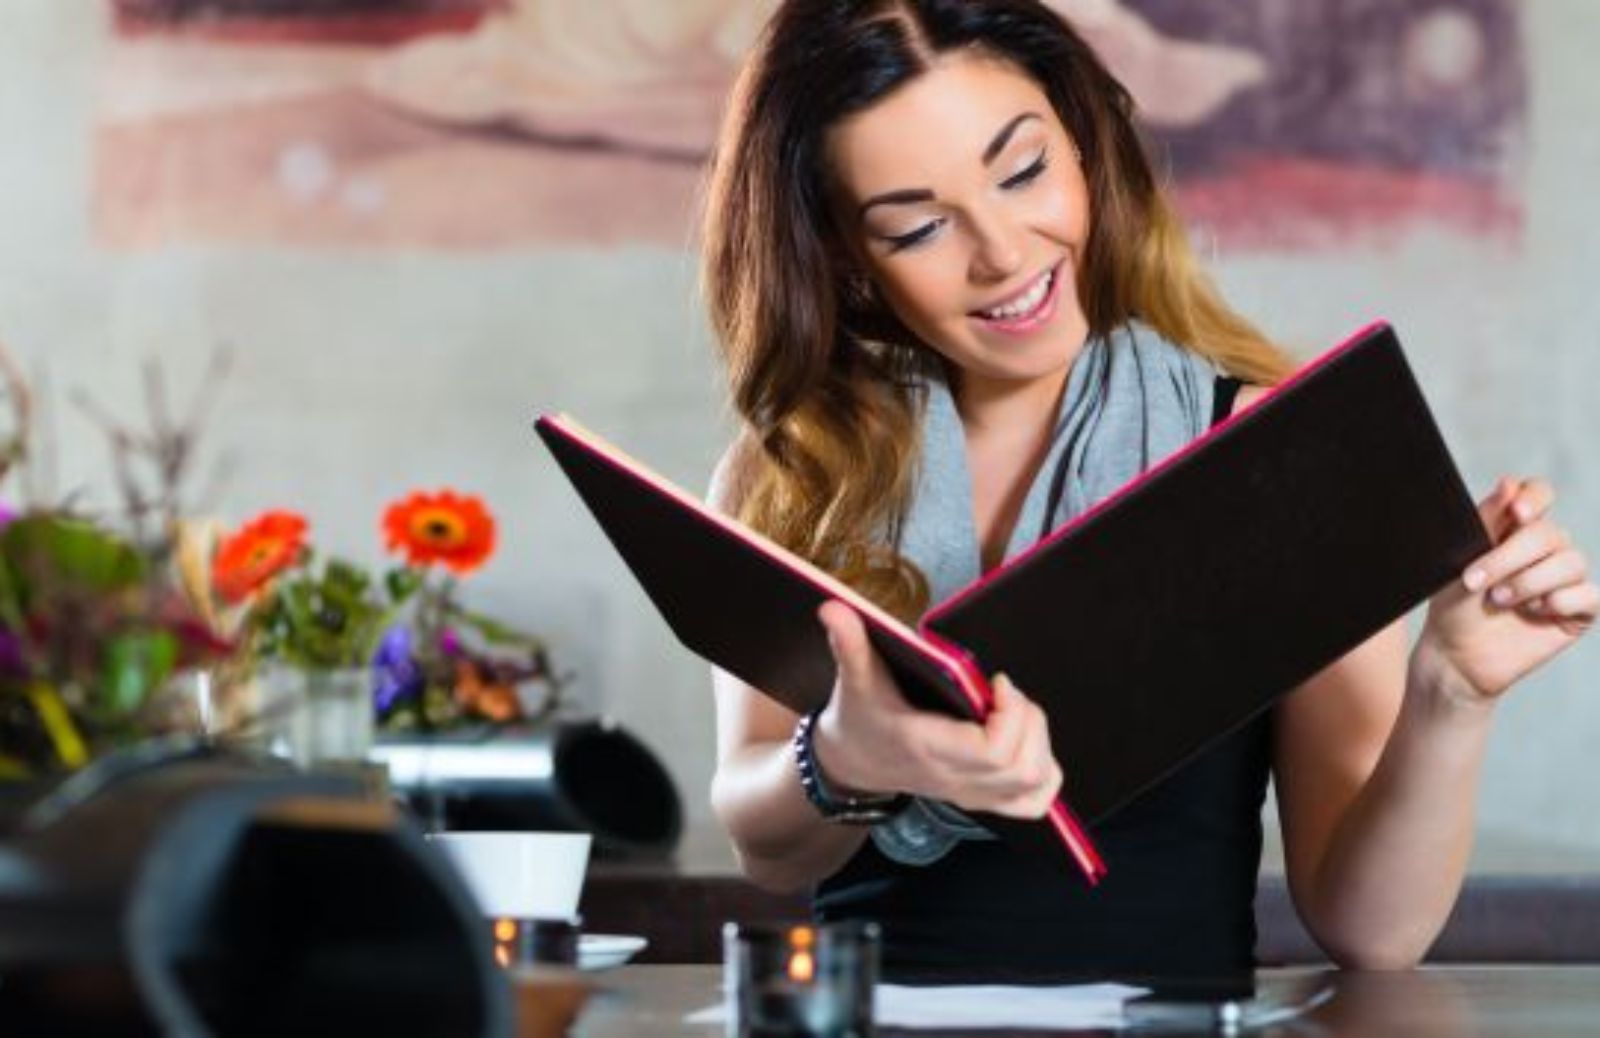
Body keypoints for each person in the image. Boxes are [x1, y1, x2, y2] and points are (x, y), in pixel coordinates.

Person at [699, 0, 1595, 981]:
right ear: (842, 257)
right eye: (916, 227)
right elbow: (765, 847)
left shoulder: (1280, 454)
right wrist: (842, 757)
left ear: (1085, 149)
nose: (1001, 252)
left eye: (1024, 170)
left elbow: (1371, 929)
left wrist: (1450, 693)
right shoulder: (795, 473)